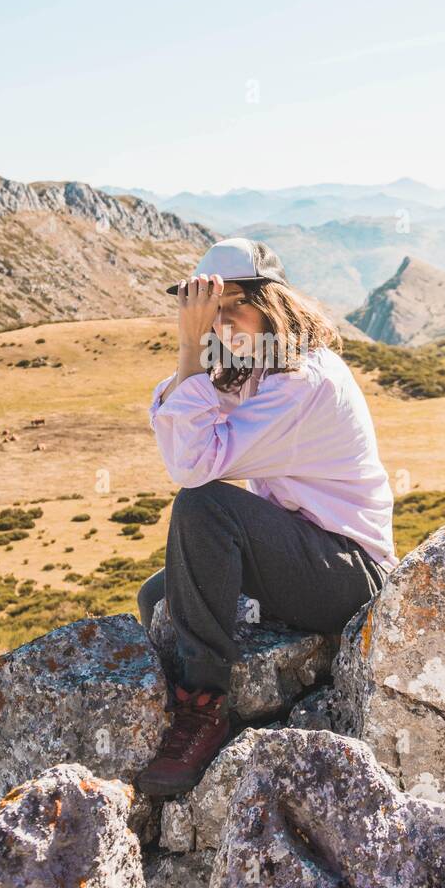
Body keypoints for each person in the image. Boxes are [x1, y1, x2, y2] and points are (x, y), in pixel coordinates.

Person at [134, 237, 399, 796]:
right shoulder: (254, 368)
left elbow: (193, 468)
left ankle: (204, 708)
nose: (221, 322)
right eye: (209, 308)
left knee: (203, 507)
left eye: (233, 305)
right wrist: (201, 355)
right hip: (300, 554)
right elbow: (180, 434)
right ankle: (189, 695)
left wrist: (191, 353)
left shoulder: (302, 381)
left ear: (271, 304)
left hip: (348, 571)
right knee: (159, 599)